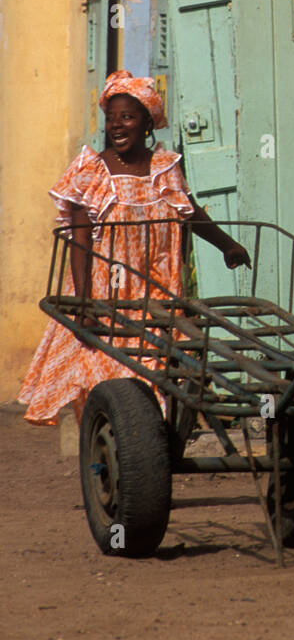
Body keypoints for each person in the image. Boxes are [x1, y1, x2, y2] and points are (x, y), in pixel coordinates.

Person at [18, 71, 249, 427]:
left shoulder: (163, 168)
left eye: (127, 117)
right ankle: (116, 449)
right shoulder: (90, 172)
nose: (116, 125)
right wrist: (83, 306)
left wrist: (227, 245)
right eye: (111, 118)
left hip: (158, 290)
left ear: (147, 122)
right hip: (105, 295)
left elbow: (190, 212)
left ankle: (155, 447)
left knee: (161, 369)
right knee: (107, 375)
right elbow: (80, 243)